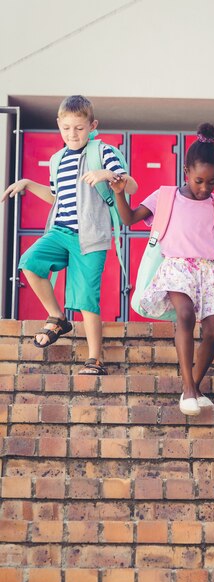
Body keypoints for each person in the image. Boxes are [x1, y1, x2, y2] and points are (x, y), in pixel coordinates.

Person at [110, 122, 214, 416]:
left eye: (211, 182)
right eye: (199, 180)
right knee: (186, 315)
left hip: (207, 272)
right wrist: (121, 194)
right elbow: (128, 219)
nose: (204, 188)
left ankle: (194, 387)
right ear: (186, 171)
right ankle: (188, 389)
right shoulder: (166, 196)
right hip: (175, 266)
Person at [1, 95, 138, 375]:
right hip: (60, 232)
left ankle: (94, 358)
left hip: (91, 238)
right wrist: (27, 183)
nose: (72, 134)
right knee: (29, 262)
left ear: (92, 125)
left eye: (79, 127)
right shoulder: (57, 159)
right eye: (66, 128)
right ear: (58, 126)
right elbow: (56, 197)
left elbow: (132, 186)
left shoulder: (104, 153)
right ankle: (58, 317)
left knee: (87, 299)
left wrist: (106, 175)